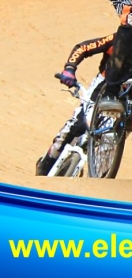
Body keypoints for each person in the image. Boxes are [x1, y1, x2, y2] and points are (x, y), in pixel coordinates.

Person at [35, 33, 118, 175]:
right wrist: (70, 68)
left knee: (109, 139)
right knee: (77, 125)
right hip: (101, 87)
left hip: (128, 97)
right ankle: (46, 164)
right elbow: (83, 47)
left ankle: (97, 180)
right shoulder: (119, 38)